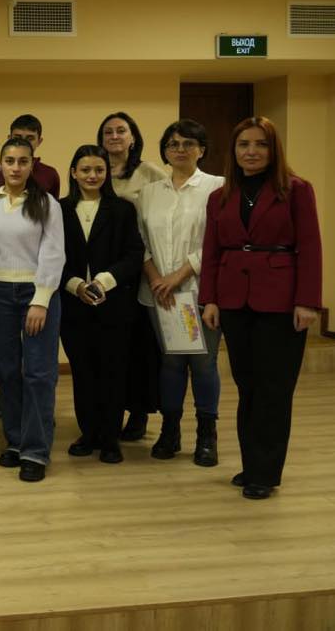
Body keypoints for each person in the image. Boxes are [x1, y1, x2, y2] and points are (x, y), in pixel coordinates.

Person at [201, 117, 321, 500]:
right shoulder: (220, 196)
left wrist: (307, 301)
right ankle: (252, 465)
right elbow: (211, 251)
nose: (251, 152)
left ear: (274, 150)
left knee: (274, 388)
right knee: (247, 386)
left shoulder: (296, 190)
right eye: (243, 145)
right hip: (234, 300)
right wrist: (210, 299)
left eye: (260, 144)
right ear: (233, 151)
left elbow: (310, 247)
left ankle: (265, 474)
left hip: (280, 301)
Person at [137, 120, 225, 466]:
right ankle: (169, 432)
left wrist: (178, 275)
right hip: (159, 294)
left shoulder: (217, 187)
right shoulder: (150, 193)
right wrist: (157, 278)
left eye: (188, 143)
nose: (180, 149)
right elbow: (140, 241)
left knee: (203, 365)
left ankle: (207, 436)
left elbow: (218, 241)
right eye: (173, 144)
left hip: (200, 293)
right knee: (170, 363)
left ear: (202, 150)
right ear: (165, 151)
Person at [0, 137, 64, 482]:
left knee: (39, 374)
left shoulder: (46, 204)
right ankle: (15, 442)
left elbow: (54, 252)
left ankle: (35, 451)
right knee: (8, 372)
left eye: (23, 161)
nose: (16, 167)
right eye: (10, 161)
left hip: (37, 293)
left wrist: (40, 299)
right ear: (0, 164)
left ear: (32, 165)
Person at [58, 145, 144, 464]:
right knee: (83, 372)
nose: (92, 175)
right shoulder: (59, 209)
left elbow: (134, 255)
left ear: (107, 173)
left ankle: (110, 438)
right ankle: (88, 434)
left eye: (99, 170)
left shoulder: (122, 209)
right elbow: (51, 257)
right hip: (73, 305)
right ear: (73, 172)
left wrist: (104, 281)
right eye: (85, 170)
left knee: (112, 372)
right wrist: (75, 285)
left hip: (114, 305)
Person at [97, 112, 165, 441]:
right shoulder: (96, 170)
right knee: (110, 348)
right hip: (104, 270)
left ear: (133, 137)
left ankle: (139, 412)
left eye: (121, 131)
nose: (114, 136)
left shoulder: (150, 173)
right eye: (108, 132)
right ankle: (107, 412)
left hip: (141, 267)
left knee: (141, 347)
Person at [0, 114, 62, 200]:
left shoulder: (50, 175)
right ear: (9, 138)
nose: (23, 142)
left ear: (39, 141)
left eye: (30, 138)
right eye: (17, 137)